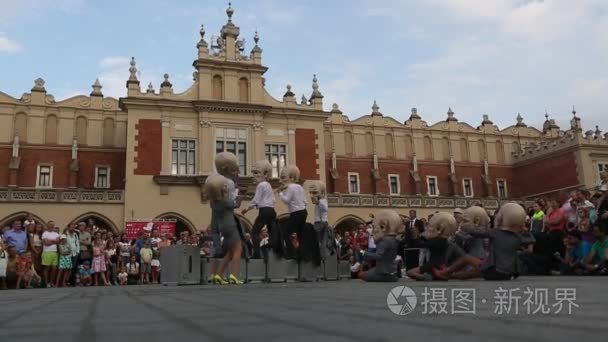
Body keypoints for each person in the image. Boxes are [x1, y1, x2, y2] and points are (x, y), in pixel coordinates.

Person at [438, 203, 529, 281]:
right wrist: (523, 229)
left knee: (466, 258)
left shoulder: (495, 233)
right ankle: (451, 275)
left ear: (501, 219)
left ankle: (446, 272)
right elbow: (528, 240)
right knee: (473, 273)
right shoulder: (518, 237)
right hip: (508, 274)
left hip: (494, 270)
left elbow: (476, 231)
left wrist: (465, 226)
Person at [205, 172, 243, 285]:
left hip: (222, 227)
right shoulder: (225, 201)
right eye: (224, 186)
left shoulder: (213, 202)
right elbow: (236, 204)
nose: (226, 187)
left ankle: (219, 275)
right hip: (230, 225)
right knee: (238, 249)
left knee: (230, 252)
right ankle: (234, 275)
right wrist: (239, 195)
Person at [242, 159, 276, 259]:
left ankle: (256, 254)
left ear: (265, 174)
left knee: (254, 232)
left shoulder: (261, 185)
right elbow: (272, 200)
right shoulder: (269, 185)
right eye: (253, 173)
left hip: (264, 211)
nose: (253, 176)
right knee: (272, 232)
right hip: (271, 210)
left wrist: (247, 209)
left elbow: (256, 199)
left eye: (256, 173)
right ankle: (271, 248)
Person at [358, 209, 401, 282]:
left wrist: (362, 252)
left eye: (375, 227)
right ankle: (391, 276)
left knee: (361, 275)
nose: (374, 230)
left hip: (383, 271)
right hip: (388, 268)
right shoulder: (391, 239)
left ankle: (389, 278)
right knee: (367, 272)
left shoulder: (384, 241)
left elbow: (378, 256)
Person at [278, 165, 307, 260]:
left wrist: (281, 193)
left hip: (296, 213)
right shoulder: (300, 187)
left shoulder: (290, 188)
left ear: (291, 177)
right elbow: (305, 201)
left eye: (283, 178)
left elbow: (286, 200)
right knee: (300, 234)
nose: (281, 181)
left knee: (286, 232)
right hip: (303, 212)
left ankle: (291, 253)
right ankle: (302, 254)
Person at [41, 223, 59, 287]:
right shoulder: (44, 233)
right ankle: (46, 283)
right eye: (50, 224)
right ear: (47, 225)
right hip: (47, 252)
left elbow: (58, 242)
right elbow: (46, 243)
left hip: (54, 252)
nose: (51, 225)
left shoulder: (56, 234)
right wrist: (54, 241)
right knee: (47, 268)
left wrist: (49, 240)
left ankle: (51, 282)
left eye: (52, 224)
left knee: (54, 269)